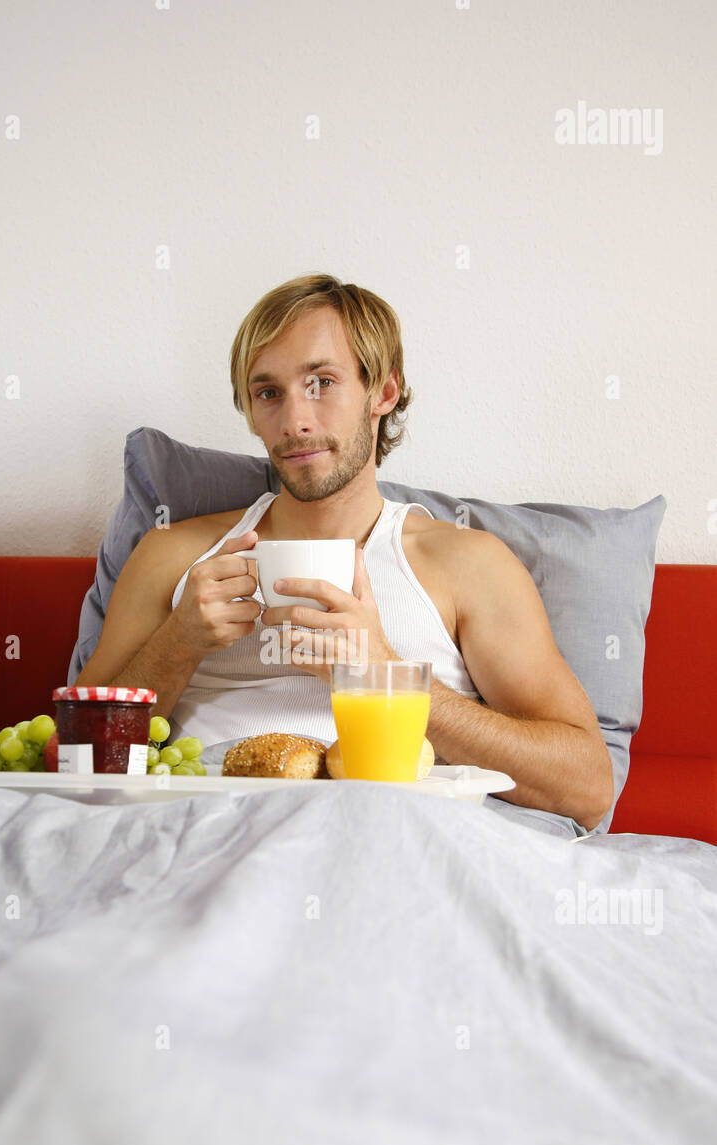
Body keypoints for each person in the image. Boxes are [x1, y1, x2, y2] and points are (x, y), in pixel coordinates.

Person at [77, 273, 613, 831]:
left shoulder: (467, 565)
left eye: (322, 382)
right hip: (194, 832)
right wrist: (178, 643)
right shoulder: (174, 555)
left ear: (383, 391)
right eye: (268, 394)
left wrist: (385, 675)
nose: (295, 422)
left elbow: (588, 788)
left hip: (385, 838)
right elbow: (75, 758)